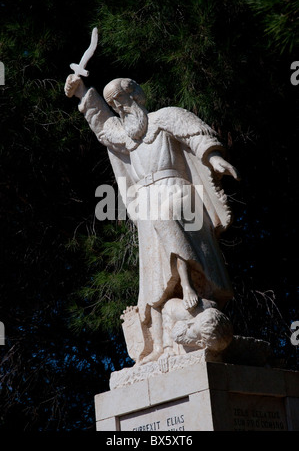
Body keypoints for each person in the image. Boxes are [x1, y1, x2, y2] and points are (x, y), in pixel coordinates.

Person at [64, 74, 239, 365]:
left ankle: (200, 311)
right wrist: (82, 93)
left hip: (179, 193)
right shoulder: (125, 137)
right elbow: (103, 127)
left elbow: (195, 134)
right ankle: (159, 344)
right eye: (111, 104)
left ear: (134, 95)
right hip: (146, 204)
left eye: (119, 99)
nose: (118, 108)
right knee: (155, 278)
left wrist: (213, 156)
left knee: (193, 258)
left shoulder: (165, 118)